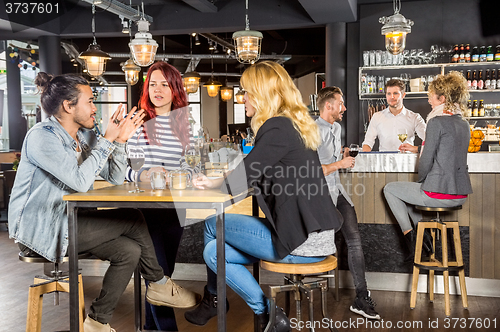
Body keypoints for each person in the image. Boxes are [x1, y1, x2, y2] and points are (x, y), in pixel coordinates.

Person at [8, 73, 200, 332]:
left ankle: (97, 322)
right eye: (90, 101)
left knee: (129, 252)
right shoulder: (43, 136)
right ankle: (158, 284)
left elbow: (115, 177)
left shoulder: (81, 138)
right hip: (41, 232)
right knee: (132, 217)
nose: (94, 108)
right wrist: (108, 140)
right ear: (68, 105)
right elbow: (78, 180)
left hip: (70, 223)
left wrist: (119, 141)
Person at [184, 61, 342, 332]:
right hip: (315, 236)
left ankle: (259, 310)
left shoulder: (277, 127)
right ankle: (227, 302)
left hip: (302, 242)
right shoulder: (293, 124)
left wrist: (215, 185)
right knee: (213, 251)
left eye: (246, 92)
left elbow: (243, 178)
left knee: (213, 224)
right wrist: (218, 180)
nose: (242, 98)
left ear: (262, 94)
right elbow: (251, 169)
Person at [125, 61, 197, 331]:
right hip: (145, 209)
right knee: (159, 279)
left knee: (163, 276)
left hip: (176, 208)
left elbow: (193, 165)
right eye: (152, 83)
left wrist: (182, 176)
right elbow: (124, 169)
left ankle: (149, 328)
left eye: (164, 84)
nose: (157, 89)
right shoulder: (138, 122)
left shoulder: (185, 124)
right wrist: (143, 175)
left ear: (174, 88)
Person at [383, 71, 472, 261]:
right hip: (461, 194)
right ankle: (425, 241)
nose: (429, 99)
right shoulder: (464, 123)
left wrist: (423, 182)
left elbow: (425, 161)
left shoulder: (436, 121)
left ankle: (411, 239)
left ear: (442, 98)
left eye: (431, 95)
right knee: (412, 199)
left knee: (390, 189)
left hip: (439, 192)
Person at [315, 86, 380, 320]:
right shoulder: (312, 130)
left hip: (338, 189)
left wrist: (341, 159)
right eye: (341, 103)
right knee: (325, 241)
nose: (344, 107)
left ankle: (361, 297)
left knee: (354, 239)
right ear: (328, 105)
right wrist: (338, 165)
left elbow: (331, 164)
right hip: (319, 195)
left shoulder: (337, 127)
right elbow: (309, 171)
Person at [362, 78, 426, 152]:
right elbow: (367, 143)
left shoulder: (415, 118)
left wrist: (416, 149)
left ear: (403, 95)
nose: (392, 97)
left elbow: (429, 139)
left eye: (395, 93)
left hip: (406, 162)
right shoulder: (377, 116)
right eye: (389, 93)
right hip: (384, 162)